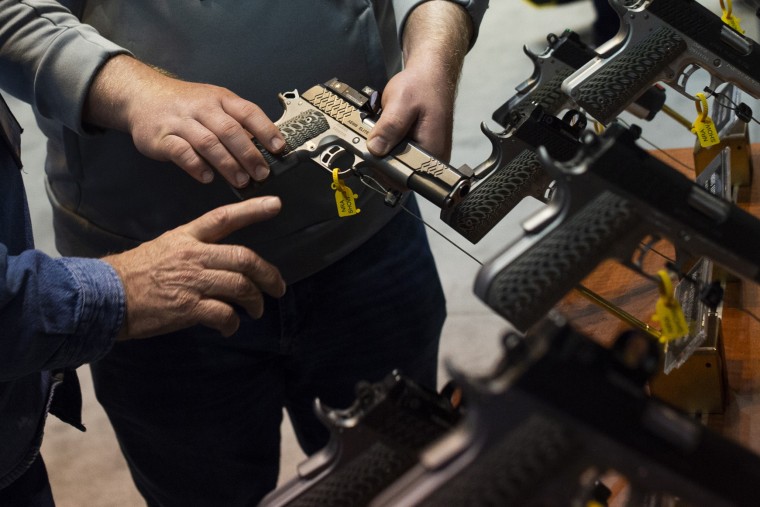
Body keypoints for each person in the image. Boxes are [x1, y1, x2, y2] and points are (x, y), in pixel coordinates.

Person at [10, 0, 489, 505]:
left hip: (368, 236)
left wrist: (435, 50)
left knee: (402, 480)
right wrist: (130, 87)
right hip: (156, 276)